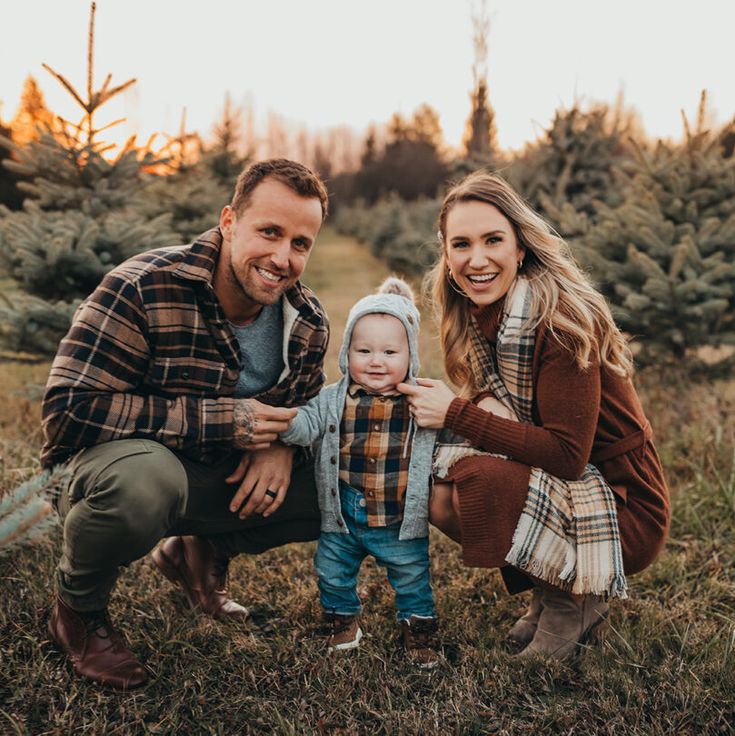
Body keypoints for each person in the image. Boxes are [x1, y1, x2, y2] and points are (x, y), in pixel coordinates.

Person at [41, 158, 330, 689]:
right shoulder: (142, 288)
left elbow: (307, 409)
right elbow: (69, 410)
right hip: (112, 475)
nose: (282, 257)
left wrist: (283, 447)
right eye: (269, 232)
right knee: (146, 481)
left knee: (346, 481)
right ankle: (77, 611)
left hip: (214, 480)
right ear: (228, 221)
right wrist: (220, 421)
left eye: (300, 243)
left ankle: (200, 551)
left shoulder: (306, 324)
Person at [398, 171, 670, 659]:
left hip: (623, 504)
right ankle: (554, 589)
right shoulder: (485, 314)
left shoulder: (558, 318)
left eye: (493, 240)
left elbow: (567, 456)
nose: (476, 259)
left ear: (520, 248)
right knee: (435, 492)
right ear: (446, 253)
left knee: (472, 476)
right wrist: (482, 406)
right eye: (461, 244)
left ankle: (575, 599)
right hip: (576, 484)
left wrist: (459, 413)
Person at [279, 278, 440, 667]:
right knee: (332, 571)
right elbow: (307, 424)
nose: (375, 361)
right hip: (344, 514)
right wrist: (284, 423)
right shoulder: (332, 398)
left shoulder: (422, 400)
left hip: (398, 518)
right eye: (363, 350)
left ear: (410, 354)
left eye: (389, 351)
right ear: (346, 351)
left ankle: (418, 630)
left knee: (412, 577)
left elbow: (451, 434)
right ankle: (342, 619)